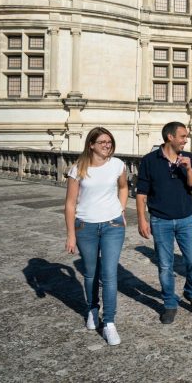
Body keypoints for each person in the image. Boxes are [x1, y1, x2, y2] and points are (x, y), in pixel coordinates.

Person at [64, 127, 128, 346]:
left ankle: (109, 322)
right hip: (85, 226)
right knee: (91, 274)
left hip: (112, 225)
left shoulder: (118, 165)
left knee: (109, 275)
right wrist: (71, 235)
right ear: (91, 144)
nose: (107, 145)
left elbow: (123, 188)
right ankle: (92, 309)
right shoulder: (77, 169)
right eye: (102, 142)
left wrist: (120, 211)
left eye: (109, 141)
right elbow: (70, 204)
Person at [136, 121, 192, 324]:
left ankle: (191, 292)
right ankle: (169, 304)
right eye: (183, 136)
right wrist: (142, 219)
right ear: (170, 137)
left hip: (186, 219)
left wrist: (189, 168)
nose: (186, 140)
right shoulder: (150, 160)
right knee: (165, 266)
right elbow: (141, 193)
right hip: (160, 220)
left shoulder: (189, 157)